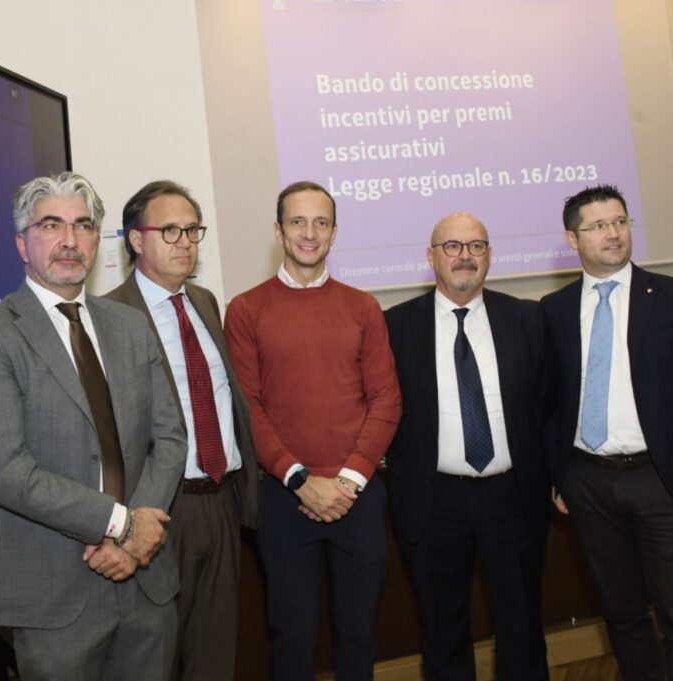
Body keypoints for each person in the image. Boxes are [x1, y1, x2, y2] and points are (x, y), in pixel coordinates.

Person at [0, 171, 187, 681]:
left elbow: (169, 436)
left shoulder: (129, 325)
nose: (69, 240)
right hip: (52, 596)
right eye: (51, 225)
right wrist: (119, 524)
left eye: (83, 225)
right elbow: (3, 471)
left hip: (146, 580)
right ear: (22, 243)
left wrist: (140, 532)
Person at [542, 184, 673, 680]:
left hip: (662, 481)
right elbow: (549, 403)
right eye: (599, 225)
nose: (613, 233)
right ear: (571, 238)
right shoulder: (554, 309)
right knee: (622, 614)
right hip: (589, 484)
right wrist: (559, 476)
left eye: (620, 222)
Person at [224, 181, 402, 681]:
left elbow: (386, 399)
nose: (309, 233)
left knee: (359, 636)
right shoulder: (245, 309)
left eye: (320, 222)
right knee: (293, 635)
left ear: (335, 232)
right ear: (278, 231)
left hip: (358, 496)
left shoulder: (363, 307)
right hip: (283, 498)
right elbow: (248, 407)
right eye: (298, 222)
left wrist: (347, 482)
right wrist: (300, 479)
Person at [104, 180, 260, 681]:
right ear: (135, 240)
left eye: (192, 230)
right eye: (169, 230)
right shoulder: (107, 316)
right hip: (157, 510)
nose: (185, 241)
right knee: (154, 657)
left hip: (220, 501)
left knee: (214, 654)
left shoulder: (205, 301)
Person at [385, 212, 550, 680]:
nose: (465, 257)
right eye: (452, 246)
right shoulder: (395, 327)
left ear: (489, 256)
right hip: (434, 500)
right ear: (431, 256)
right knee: (442, 630)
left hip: (513, 496)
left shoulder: (526, 317)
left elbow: (548, 404)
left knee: (521, 625)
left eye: (476, 246)